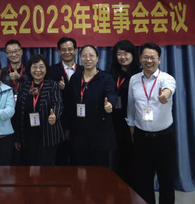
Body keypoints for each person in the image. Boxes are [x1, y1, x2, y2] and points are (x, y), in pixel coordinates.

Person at [127, 42, 177, 204]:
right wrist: (132, 127)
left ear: (159, 60)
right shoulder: (134, 80)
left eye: (153, 57)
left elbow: (169, 88)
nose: (149, 61)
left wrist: (165, 96)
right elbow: (131, 106)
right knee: (143, 178)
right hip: (141, 136)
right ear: (140, 59)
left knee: (166, 177)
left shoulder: (166, 78)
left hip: (164, 136)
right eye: (146, 57)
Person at [66, 44, 117, 167]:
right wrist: (67, 127)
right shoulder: (75, 78)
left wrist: (110, 104)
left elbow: (111, 94)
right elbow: (69, 103)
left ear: (97, 58)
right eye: (84, 56)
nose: (87, 59)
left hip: (100, 133)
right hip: (79, 132)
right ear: (80, 58)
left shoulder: (105, 78)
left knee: (99, 171)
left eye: (91, 56)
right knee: (80, 169)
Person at [13, 54, 64, 166]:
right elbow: (18, 111)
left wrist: (55, 115)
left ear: (46, 68)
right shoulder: (24, 85)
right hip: (27, 135)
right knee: (28, 167)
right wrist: (17, 137)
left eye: (41, 67)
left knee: (46, 168)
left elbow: (58, 103)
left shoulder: (52, 85)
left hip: (47, 134)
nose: (38, 70)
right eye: (34, 67)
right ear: (29, 68)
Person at [110, 39, 141, 184]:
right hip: (114, 120)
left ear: (133, 54)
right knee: (116, 156)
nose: (123, 57)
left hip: (133, 121)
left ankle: (132, 188)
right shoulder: (112, 73)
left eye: (126, 53)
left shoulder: (139, 74)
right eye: (119, 54)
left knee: (133, 156)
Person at [47, 36, 79, 165]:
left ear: (75, 51)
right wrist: (58, 89)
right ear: (59, 52)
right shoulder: (51, 71)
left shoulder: (83, 70)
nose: (67, 52)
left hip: (79, 121)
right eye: (63, 50)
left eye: (70, 49)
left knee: (78, 159)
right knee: (60, 159)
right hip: (59, 121)